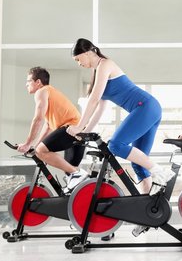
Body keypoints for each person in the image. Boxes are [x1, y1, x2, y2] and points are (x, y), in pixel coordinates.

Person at [67, 38, 175, 236]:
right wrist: (85, 131)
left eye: (78, 59)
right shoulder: (97, 72)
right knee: (138, 165)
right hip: (148, 109)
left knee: (116, 145)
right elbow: (99, 107)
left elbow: (93, 100)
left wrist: (79, 125)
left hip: (146, 107)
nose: (79, 63)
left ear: (88, 52)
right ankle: (146, 215)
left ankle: (161, 172)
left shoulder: (105, 64)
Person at [17, 67, 87, 191]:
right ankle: (81, 181)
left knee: (42, 152)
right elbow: (48, 126)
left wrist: (27, 144)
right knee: (70, 170)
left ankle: (78, 174)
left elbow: (38, 119)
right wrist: (35, 145)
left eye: (28, 81)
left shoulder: (42, 91)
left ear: (38, 82)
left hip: (72, 128)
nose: (26, 84)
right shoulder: (50, 92)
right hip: (78, 131)